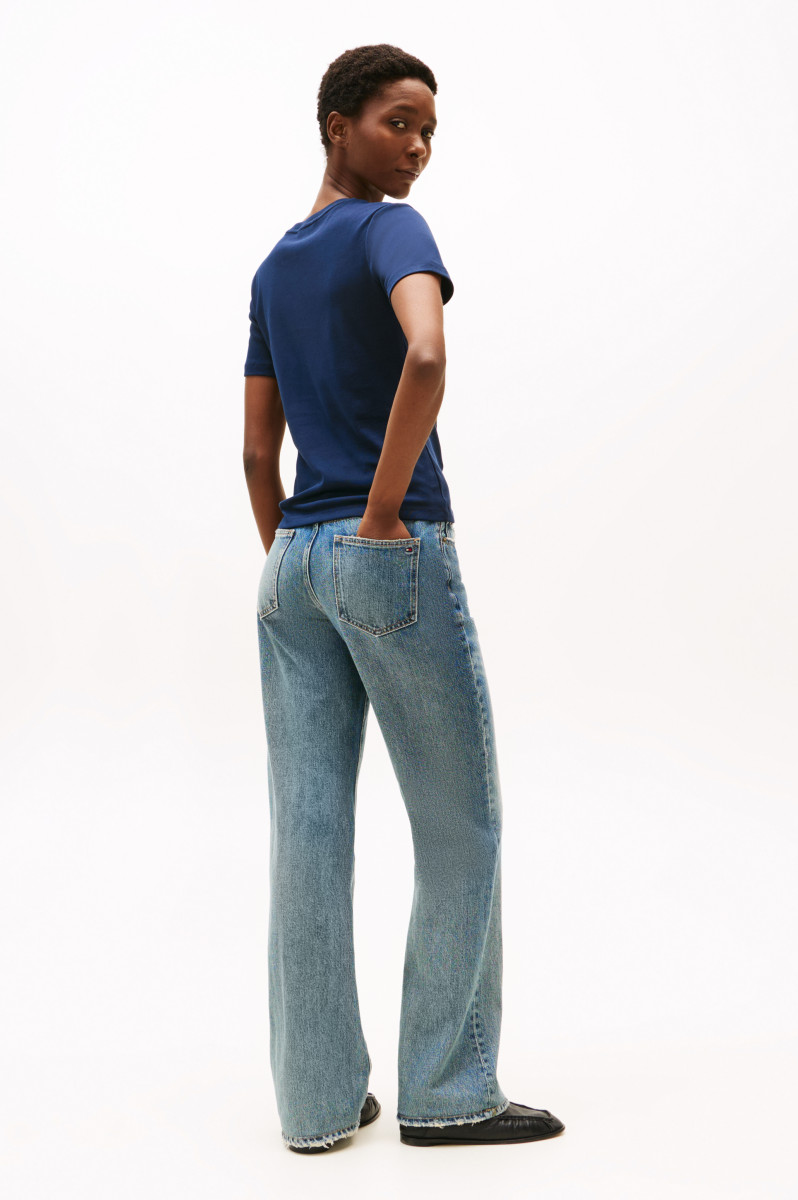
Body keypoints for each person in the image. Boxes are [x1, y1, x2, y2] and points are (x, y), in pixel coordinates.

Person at [242, 43, 565, 1153]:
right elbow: (427, 353)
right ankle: (447, 1088)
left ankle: (316, 1104)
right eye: (398, 121)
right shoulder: (391, 229)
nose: (418, 147)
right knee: (460, 823)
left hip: (292, 560)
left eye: (429, 130)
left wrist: (304, 554)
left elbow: (256, 452)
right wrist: (380, 521)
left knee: (307, 831)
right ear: (337, 124)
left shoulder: (274, 267)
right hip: (388, 548)